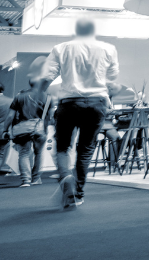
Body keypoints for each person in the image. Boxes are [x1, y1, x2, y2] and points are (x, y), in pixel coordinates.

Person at [39, 19, 119, 209]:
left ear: (76, 31)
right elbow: (113, 80)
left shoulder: (61, 48)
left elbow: (48, 75)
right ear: (93, 30)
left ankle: (66, 177)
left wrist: (41, 94)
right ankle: (79, 193)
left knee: (63, 147)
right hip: (97, 103)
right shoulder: (108, 48)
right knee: (85, 150)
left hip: (69, 103)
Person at [9, 79, 51, 187]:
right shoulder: (48, 97)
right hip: (40, 128)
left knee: (24, 153)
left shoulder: (19, 96)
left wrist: (7, 129)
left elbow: (11, 116)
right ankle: (36, 178)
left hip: (23, 128)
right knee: (39, 153)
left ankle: (26, 180)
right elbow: (50, 117)